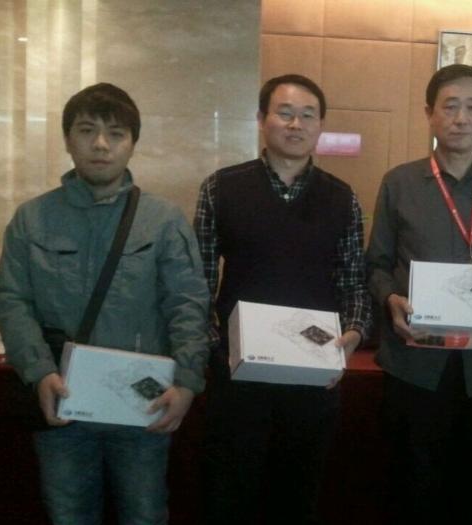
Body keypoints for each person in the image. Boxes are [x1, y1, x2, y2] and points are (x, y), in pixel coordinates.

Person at [0, 83, 210, 524]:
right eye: (86, 130)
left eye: (115, 133)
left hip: (141, 407)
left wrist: (188, 381)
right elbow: (13, 302)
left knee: (144, 515)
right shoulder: (31, 220)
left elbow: (188, 303)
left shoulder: (163, 220)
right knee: (68, 515)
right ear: (67, 139)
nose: (100, 144)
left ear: (132, 144)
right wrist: (38, 372)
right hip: (62, 402)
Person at [195, 73, 372, 525]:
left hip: (312, 378)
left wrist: (353, 334)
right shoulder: (221, 188)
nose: (296, 124)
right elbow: (197, 284)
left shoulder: (342, 198)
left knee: (297, 497)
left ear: (320, 125)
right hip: (239, 379)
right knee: (229, 496)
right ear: (262, 119)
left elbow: (354, 282)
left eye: (308, 115)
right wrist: (217, 347)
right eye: (285, 113)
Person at [365, 64, 472, 524]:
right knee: (413, 483)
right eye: (450, 106)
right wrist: (390, 300)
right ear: (430, 113)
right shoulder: (399, 182)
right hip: (416, 363)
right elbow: (376, 264)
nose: (461, 118)